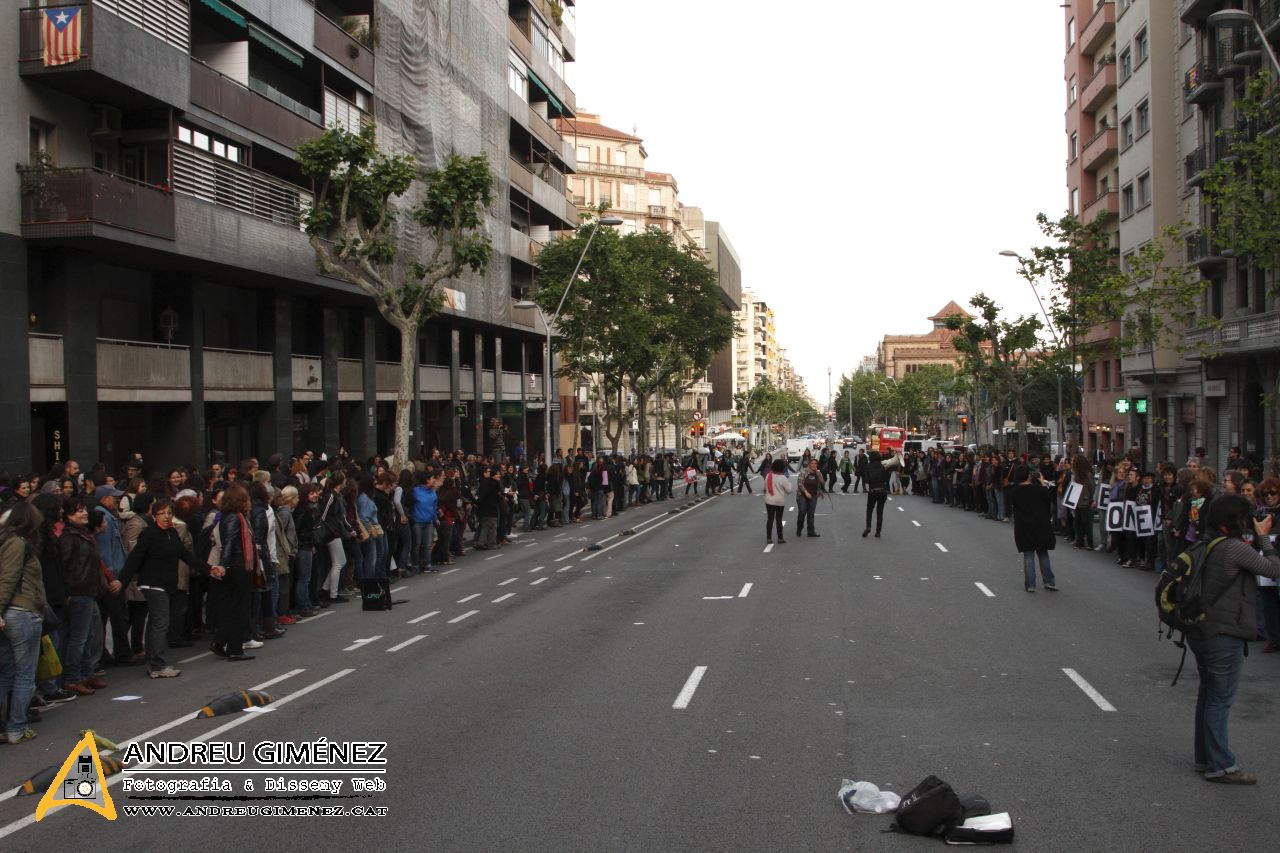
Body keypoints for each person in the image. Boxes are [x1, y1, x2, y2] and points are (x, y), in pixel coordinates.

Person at [1186, 495, 1280, 784]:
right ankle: (1220, 764)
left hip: (1200, 629)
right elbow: (1274, 570)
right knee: (1220, 698)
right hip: (1223, 631)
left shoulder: (1205, 542)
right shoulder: (1233, 549)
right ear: (1234, 521)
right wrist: (1265, 539)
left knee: (1207, 693)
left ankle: (1204, 757)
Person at [116, 498, 217, 678]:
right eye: (161, 513)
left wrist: (209, 569)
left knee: (155, 622)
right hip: (152, 583)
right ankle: (157, 664)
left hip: (165, 584)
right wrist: (121, 582)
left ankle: (152, 661)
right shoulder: (149, 534)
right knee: (161, 622)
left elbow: (185, 555)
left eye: (169, 513)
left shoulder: (171, 533)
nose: (166, 517)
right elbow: (135, 558)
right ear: (154, 516)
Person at [0, 503, 47, 743]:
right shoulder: (17, 544)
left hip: (13, 614)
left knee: (8, 672)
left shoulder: (7, 541)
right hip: (22, 613)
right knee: (23, 675)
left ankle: (6, 726)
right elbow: (8, 579)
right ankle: (16, 728)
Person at [1009, 468, 1058, 593]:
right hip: (1041, 524)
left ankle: (1030, 584)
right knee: (1042, 553)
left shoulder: (1015, 492)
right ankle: (1049, 581)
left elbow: (1014, 505)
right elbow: (1049, 498)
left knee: (1028, 554)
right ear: (1029, 477)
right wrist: (1043, 483)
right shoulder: (1039, 489)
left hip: (1024, 526)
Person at [762, 459, 792, 545]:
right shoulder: (783, 478)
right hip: (779, 502)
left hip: (769, 501)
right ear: (782, 467)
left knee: (770, 519)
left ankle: (769, 538)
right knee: (779, 520)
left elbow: (764, 488)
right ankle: (780, 538)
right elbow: (789, 491)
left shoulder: (768, 475)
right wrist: (789, 484)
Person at [863, 450, 890, 538]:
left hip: (873, 491)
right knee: (880, 512)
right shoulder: (883, 466)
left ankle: (868, 527)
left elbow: (866, 480)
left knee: (869, 510)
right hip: (882, 491)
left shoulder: (868, 466)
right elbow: (886, 478)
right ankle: (878, 532)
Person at [796, 459, 824, 538]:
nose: (814, 465)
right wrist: (806, 492)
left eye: (815, 463)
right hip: (802, 495)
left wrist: (820, 491)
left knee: (811, 514)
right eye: (812, 463)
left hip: (813, 496)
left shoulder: (818, 473)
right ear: (809, 464)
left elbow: (821, 484)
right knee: (802, 512)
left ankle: (811, 531)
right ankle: (799, 528)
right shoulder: (804, 472)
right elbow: (800, 484)